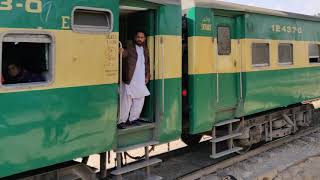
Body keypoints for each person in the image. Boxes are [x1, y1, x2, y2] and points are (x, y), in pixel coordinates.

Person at [118, 30, 151, 129]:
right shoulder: (130, 46)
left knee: (140, 99)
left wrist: (147, 75)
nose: (140, 39)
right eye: (138, 37)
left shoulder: (145, 48)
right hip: (130, 77)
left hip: (140, 78)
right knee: (126, 100)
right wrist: (121, 52)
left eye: (142, 37)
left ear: (144, 39)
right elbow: (125, 54)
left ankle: (133, 119)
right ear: (135, 38)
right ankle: (121, 121)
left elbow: (147, 63)